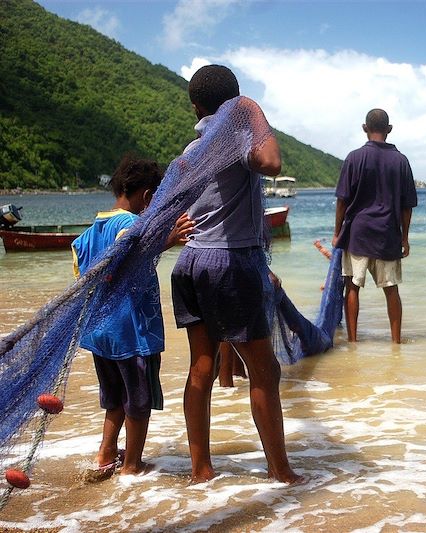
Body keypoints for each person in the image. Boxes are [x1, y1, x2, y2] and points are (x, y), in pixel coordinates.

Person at [170, 64, 303, 484]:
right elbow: (272, 162)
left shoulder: (190, 153)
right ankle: (281, 473)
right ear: (233, 104)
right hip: (229, 263)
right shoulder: (236, 139)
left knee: (201, 369)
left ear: (195, 105)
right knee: (265, 371)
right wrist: (251, 110)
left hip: (190, 263)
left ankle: (200, 470)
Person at [72, 155, 193, 479]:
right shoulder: (129, 225)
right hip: (132, 332)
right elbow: (124, 262)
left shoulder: (90, 231)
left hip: (101, 332)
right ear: (149, 196)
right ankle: (132, 465)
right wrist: (168, 240)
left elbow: (87, 273)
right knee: (138, 402)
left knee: (114, 399)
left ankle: (106, 453)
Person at [333, 109, 417, 344]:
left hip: (357, 233)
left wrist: (337, 232)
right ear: (389, 129)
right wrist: (405, 238)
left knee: (352, 287)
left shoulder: (354, 157)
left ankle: (352, 342)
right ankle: (396, 343)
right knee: (391, 290)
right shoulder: (401, 161)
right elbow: (407, 206)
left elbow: (342, 200)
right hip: (387, 234)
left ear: (364, 128)